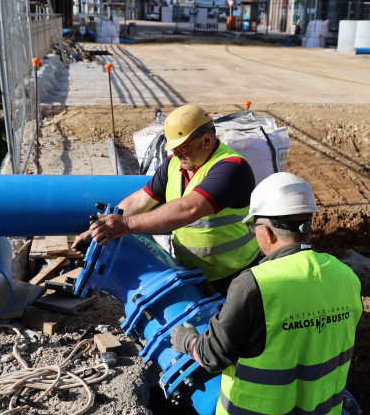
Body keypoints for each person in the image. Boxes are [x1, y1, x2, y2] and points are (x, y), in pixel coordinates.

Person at [171, 172, 363, 415]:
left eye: (253, 227)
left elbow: (212, 356)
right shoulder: (346, 277)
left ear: (267, 231)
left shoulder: (254, 285)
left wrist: (187, 340)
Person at [71, 104, 260, 295]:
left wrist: (125, 225)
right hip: (196, 275)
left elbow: (190, 208)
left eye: (181, 147)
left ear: (206, 140)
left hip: (235, 277)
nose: (176, 154)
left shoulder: (231, 167)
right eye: (173, 148)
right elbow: (140, 201)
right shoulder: (173, 166)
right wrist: (98, 230)